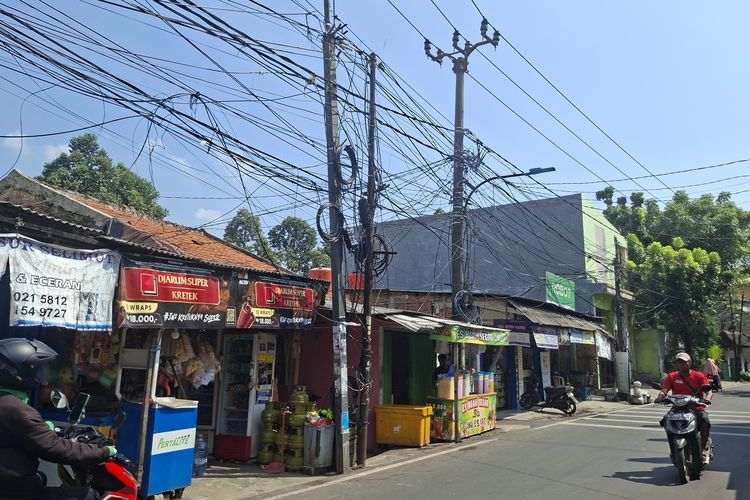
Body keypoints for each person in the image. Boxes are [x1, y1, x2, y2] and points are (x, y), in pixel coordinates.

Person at [0, 338, 116, 500]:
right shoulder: (18, 410)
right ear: (19, 372)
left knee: (41, 478)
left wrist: (43, 427)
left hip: (7, 482)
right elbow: (57, 450)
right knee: (89, 495)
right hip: (15, 492)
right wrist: (103, 451)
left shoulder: (7, 403)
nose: (41, 375)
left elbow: (15, 433)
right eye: (38, 369)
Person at [654, 352, 712, 463]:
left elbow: (708, 390)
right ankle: (673, 448)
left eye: (684, 362)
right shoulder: (672, 376)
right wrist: (660, 397)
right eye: (679, 362)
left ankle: (702, 449)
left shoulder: (699, 376)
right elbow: (664, 390)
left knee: (705, 423)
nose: (681, 364)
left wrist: (707, 399)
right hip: (677, 408)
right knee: (666, 420)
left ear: (690, 363)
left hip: (696, 407)